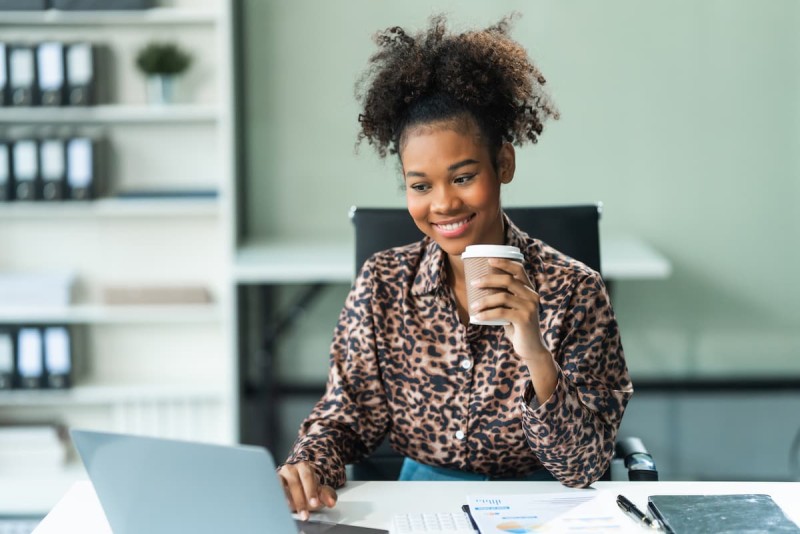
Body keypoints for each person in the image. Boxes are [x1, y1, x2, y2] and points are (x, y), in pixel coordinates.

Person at [278, 14, 633, 519]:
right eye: (420, 185)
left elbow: (582, 466)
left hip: (543, 505)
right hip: (420, 505)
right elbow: (346, 417)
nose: (442, 203)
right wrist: (308, 465)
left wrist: (534, 349)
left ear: (503, 164)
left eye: (463, 177)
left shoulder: (575, 290)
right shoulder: (383, 284)